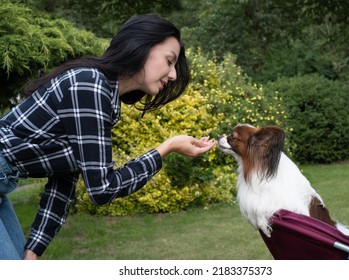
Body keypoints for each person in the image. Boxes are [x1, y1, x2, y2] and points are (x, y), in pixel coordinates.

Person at [0, 14, 214, 260]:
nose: (173, 74)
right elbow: (102, 188)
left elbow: (64, 181)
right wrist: (166, 148)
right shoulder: (90, 85)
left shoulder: (104, 98)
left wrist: (33, 250)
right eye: (169, 61)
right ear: (140, 46)